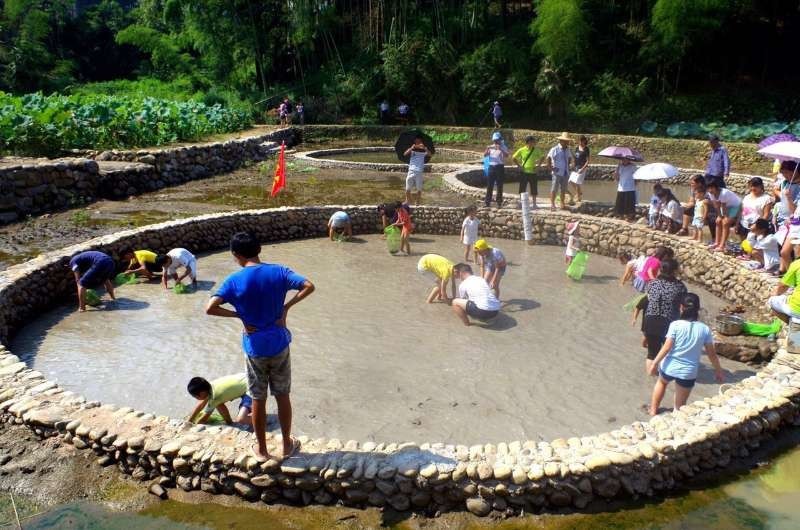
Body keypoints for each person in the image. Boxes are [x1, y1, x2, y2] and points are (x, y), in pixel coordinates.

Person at [205, 232, 315, 461]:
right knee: (283, 395)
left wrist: (239, 316)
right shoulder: (280, 271)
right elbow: (308, 286)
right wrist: (287, 307)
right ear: (259, 249)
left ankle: (262, 451)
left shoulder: (234, 280)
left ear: (235, 255)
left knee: (258, 398)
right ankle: (286, 445)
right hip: (279, 344)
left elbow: (210, 308)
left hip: (254, 347)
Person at [648, 293, 724, 415]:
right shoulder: (704, 329)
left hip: (669, 366)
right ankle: (675, 418)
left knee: (662, 383)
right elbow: (712, 355)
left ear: (681, 307)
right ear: (698, 309)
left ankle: (653, 410)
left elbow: (667, 348)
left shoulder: (675, 325)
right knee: (679, 407)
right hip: (688, 372)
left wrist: (654, 363)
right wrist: (718, 370)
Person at [641, 259, 688, 374]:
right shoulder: (680, 287)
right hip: (669, 323)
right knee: (670, 353)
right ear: (675, 271)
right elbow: (684, 306)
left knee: (652, 354)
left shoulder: (652, 283)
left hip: (650, 321)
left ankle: (650, 378)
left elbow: (648, 301)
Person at [187, 373, 252, 426]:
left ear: (202, 394)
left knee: (241, 419)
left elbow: (204, 418)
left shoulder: (215, 397)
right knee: (218, 404)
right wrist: (189, 421)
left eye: (195, 397)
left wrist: (195, 425)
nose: (196, 399)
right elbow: (200, 406)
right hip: (248, 378)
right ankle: (229, 422)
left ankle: (260, 421)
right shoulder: (210, 386)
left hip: (252, 388)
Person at [707, 181, 741, 252]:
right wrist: (719, 216)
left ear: (716, 187)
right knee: (718, 221)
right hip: (726, 206)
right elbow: (716, 205)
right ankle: (717, 242)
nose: (710, 190)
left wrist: (725, 217)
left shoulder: (723, 193)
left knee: (725, 223)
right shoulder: (710, 193)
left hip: (735, 206)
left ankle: (722, 245)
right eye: (708, 188)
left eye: (711, 188)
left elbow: (723, 206)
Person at [769, 245, 800, 322]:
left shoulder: (797, 264)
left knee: (772, 301)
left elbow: (782, 287)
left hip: (797, 308)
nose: (794, 248)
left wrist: (774, 294)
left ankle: (789, 322)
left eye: (796, 246)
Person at [547, 132, 574, 210]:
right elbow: (548, 158)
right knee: (554, 188)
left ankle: (562, 203)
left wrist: (570, 165)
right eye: (566, 141)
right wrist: (551, 168)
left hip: (565, 172)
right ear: (561, 141)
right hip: (557, 172)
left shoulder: (567, 150)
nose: (567, 142)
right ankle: (552, 204)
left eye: (568, 141)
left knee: (563, 189)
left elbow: (570, 158)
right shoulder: (554, 149)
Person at [484, 132, 510, 208]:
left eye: (497, 140)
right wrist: (487, 149)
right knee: (489, 185)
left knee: (499, 185)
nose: (495, 141)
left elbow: (507, 155)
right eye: (494, 140)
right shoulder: (491, 147)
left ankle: (499, 202)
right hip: (491, 166)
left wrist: (500, 149)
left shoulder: (503, 146)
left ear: (499, 139)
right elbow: (485, 155)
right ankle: (487, 202)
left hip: (499, 167)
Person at [513, 135, 539, 206]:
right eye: (533, 142)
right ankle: (522, 203)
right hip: (524, 172)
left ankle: (534, 203)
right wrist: (519, 166)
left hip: (533, 172)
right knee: (522, 188)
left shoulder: (536, 150)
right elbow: (513, 157)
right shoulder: (522, 150)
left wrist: (538, 166)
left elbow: (543, 157)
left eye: (534, 142)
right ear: (528, 142)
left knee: (534, 188)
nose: (534, 143)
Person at [404, 136, 430, 205]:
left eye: (419, 141)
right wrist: (411, 148)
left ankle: (418, 201)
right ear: (414, 142)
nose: (418, 143)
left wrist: (425, 148)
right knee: (407, 188)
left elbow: (430, 154)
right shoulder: (412, 150)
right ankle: (407, 200)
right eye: (416, 142)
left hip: (419, 171)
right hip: (411, 170)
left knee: (419, 189)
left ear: (421, 142)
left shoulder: (423, 151)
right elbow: (405, 154)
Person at [569, 135, 590, 203]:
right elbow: (575, 157)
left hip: (582, 168)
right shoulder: (577, 148)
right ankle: (579, 192)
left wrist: (582, 169)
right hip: (576, 167)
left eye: (581, 141)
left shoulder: (586, 149)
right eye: (579, 141)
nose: (580, 142)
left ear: (584, 141)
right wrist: (573, 165)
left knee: (577, 183)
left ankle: (579, 197)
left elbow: (588, 161)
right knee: (571, 181)